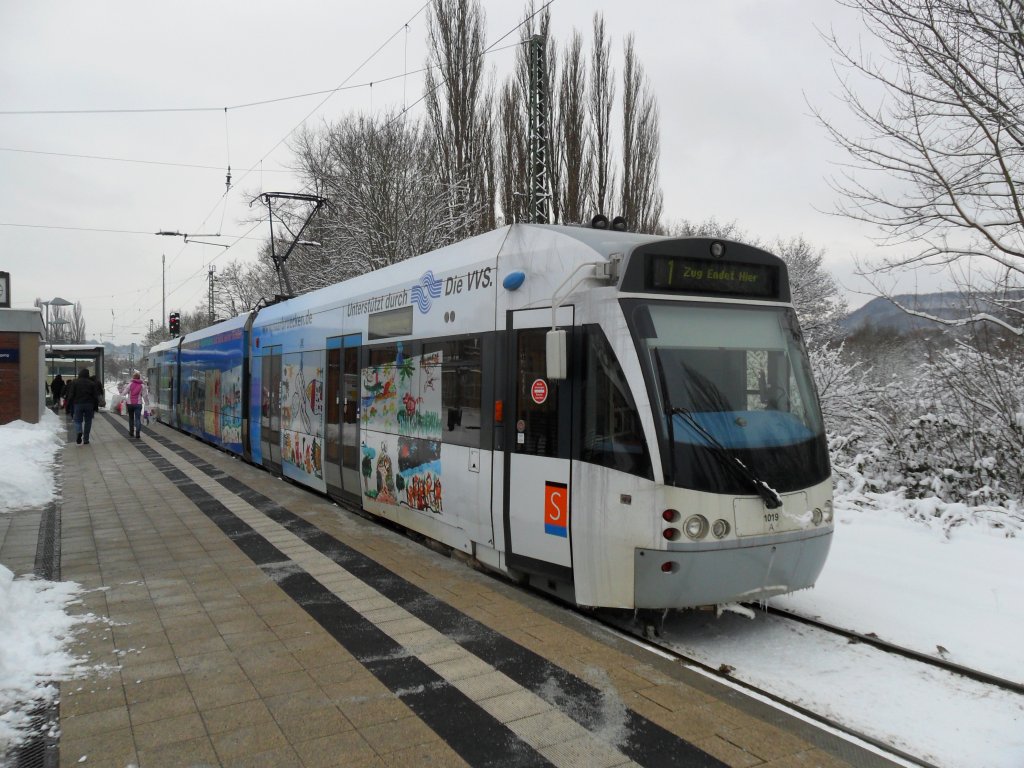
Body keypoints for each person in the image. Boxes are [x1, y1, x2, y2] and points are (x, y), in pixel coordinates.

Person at [64, 368, 103, 445]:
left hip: (78, 404)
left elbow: (71, 394)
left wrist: (68, 404)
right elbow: (95, 396)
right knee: (88, 421)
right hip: (89, 404)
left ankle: (79, 432)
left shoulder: (75, 382)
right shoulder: (92, 383)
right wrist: (96, 406)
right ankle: (86, 439)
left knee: (77, 420)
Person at [123, 370, 150, 439]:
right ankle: (137, 433)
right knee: (138, 418)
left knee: (131, 418)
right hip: (138, 404)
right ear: (139, 378)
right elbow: (145, 395)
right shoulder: (142, 385)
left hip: (130, 404)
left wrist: (121, 398)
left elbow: (124, 393)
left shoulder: (130, 384)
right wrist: (147, 403)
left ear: (133, 377)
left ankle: (131, 432)